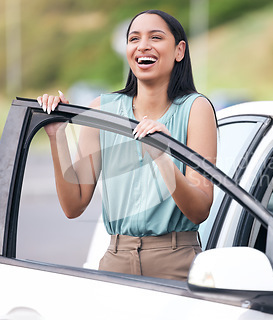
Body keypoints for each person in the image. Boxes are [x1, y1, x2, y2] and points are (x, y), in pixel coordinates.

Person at [37, 9, 217, 281]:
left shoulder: (196, 109)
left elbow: (200, 209)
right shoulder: (101, 110)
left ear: (179, 50)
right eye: (134, 39)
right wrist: (57, 134)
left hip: (177, 262)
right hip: (116, 261)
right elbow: (73, 206)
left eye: (156, 37)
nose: (143, 45)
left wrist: (163, 155)